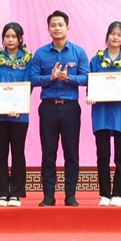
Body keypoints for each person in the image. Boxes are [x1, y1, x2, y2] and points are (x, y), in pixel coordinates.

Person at [27, 10, 89, 206]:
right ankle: (48, 196)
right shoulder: (40, 53)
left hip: (71, 107)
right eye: (53, 25)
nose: (57, 28)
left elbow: (87, 78)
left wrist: (68, 78)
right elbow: (32, 79)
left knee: (71, 152)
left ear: (67, 27)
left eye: (60, 25)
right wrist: (51, 77)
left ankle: (70, 195)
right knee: (48, 153)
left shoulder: (78, 52)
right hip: (48, 108)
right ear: (48, 29)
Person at [88, 21, 121, 206]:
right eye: (113, 33)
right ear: (107, 36)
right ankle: (104, 194)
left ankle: (117, 194)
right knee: (103, 155)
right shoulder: (96, 60)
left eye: (119, 35)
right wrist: (90, 95)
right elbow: (91, 84)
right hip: (101, 112)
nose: (115, 37)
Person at [0, 22, 30, 207]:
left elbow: (28, 84)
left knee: (18, 153)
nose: (10, 40)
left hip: (19, 116)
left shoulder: (27, 59)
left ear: (20, 39)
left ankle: (16, 194)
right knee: (0, 153)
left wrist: (18, 106)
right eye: (7, 36)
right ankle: (2, 193)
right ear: (3, 39)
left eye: (14, 36)